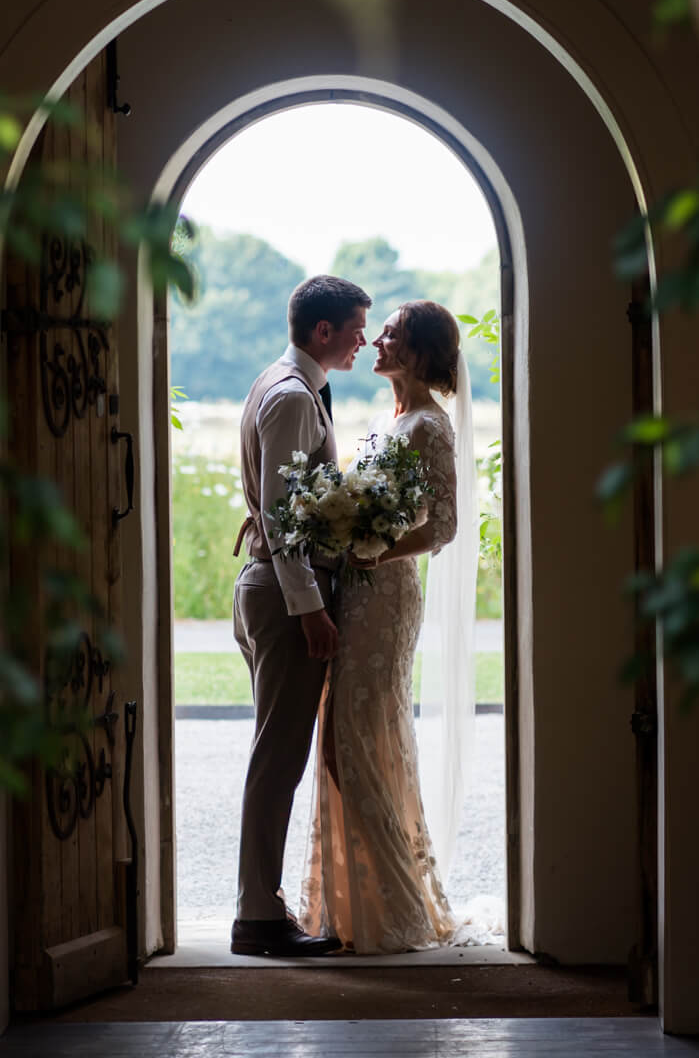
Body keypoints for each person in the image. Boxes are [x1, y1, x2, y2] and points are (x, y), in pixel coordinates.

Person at [297, 299, 479, 953]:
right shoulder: (386, 419)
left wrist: (375, 549)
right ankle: (355, 904)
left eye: (393, 333)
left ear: (421, 352)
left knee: (355, 737)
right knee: (349, 735)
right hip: (357, 590)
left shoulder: (430, 425)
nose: (376, 339)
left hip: (388, 596)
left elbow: (446, 526)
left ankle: (394, 909)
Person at [227, 274, 370, 957]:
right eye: (355, 328)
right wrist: (309, 607)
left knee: (278, 751)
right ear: (324, 332)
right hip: (285, 595)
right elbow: (284, 517)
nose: (363, 341)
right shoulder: (290, 396)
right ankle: (257, 915)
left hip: (277, 587)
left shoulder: (287, 383)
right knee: (278, 755)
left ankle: (260, 905)